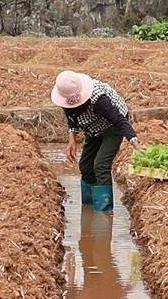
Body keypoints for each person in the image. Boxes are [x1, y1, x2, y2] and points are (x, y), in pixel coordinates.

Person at [50, 69, 133, 210]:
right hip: (93, 128)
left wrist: (132, 138)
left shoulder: (99, 99)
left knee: (100, 165)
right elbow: (71, 117)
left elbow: (118, 119)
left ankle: (104, 213)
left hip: (112, 126)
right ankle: (88, 208)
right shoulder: (66, 98)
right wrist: (72, 139)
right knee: (85, 166)